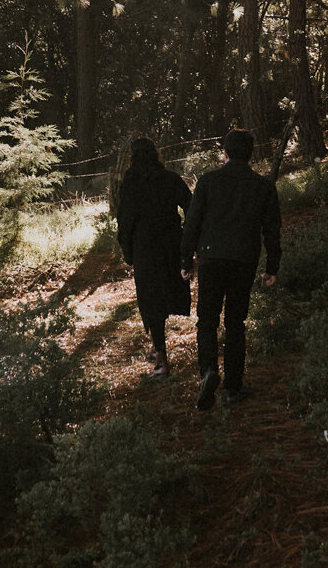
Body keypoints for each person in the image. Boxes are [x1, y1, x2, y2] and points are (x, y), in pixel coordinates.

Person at [180, 128, 282, 411]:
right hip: (243, 261)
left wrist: (185, 260)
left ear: (224, 152)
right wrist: (272, 266)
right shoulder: (262, 186)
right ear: (250, 154)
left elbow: (192, 223)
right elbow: (272, 230)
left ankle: (209, 371)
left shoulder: (208, 182)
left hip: (211, 259)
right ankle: (234, 386)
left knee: (207, 319)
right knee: (236, 321)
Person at [116, 136, 191, 379]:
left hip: (145, 247)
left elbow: (125, 219)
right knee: (166, 293)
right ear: (156, 153)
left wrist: (128, 250)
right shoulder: (169, 178)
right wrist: (187, 238)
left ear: (133, 156)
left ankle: (161, 360)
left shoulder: (131, 182)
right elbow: (191, 204)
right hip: (170, 243)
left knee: (151, 300)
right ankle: (157, 350)